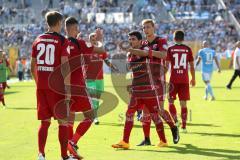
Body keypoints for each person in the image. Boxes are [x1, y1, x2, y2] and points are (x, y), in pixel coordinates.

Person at [112, 31, 170, 149]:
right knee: (129, 114)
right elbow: (132, 70)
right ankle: (125, 141)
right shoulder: (130, 55)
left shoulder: (146, 48)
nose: (131, 41)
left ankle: (163, 140)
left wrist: (129, 49)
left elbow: (143, 53)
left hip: (149, 89)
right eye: (129, 39)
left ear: (140, 40)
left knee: (154, 116)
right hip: (137, 90)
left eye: (133, 39)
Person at [31, 11, 74, 160]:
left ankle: (41, 154)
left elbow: (32, 67)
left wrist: (39, 83)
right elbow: (65, 66)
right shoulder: (63, 41)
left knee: (45, 122)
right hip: (57, 88)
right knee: (63, 121)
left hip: (41, 87)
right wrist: (68, 89)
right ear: (58, 23)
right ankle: (64, 156)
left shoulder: (37, 39)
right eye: (61, 23)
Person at [64, 16, 107, 159]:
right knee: (90, 116)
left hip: (63, 87)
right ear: (75, 29)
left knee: (69, 119)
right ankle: (73, 141)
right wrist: (100, 38)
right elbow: (101, 49)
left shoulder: (61, 43)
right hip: (78, 86)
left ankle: (70, 152)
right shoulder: (79, 43)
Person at [137, 19, 179, 146]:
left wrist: (149, 52)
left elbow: (164, 55)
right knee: (145, 110)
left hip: (158, 80)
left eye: (148, 27)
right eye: (144, 28)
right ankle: (147, 139)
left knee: (160, 109)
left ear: (153, 27)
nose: (146, 30)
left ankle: (173, 128)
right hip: (145, 81)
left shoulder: (161, 40)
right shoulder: (142, 43)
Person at [86, 32, 118, 125]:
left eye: (95, 38)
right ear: (89, 40)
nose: (94, 39)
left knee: (98, 97)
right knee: (94, 97)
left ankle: (92, 113)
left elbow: (107, 61)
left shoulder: (101, 50)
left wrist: (114, 68)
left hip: (100, 78)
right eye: (92, 38)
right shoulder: (87, 50)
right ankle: (94, 116)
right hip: (90, 78)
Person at [166, 30, 196, 133]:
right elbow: (192, 66)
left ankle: (176, 122)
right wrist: (193, 78)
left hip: (173, 79)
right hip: (184, 79)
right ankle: (183, 127)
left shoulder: (170, 49)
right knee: (183, 104)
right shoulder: (188, 49)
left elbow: (166, 66)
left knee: (170, 101)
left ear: (174, 38)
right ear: (183, 39)